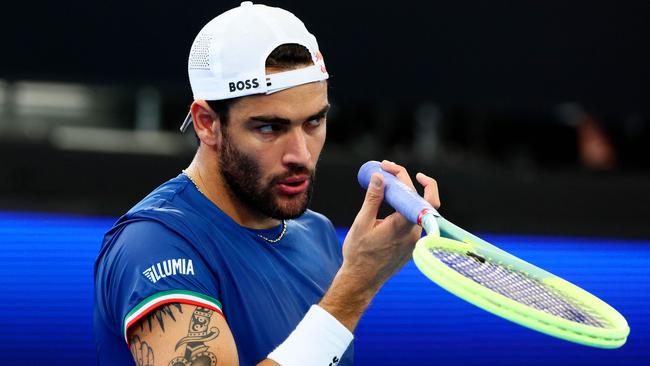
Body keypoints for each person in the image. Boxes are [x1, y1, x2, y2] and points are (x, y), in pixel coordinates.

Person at [93, 2, 440, 365]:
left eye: (314, 122)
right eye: (270, 127)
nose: (301, 154)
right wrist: (356, 287)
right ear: (207, 123)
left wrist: (353, 279)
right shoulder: (154, 243)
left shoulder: (318, 235)